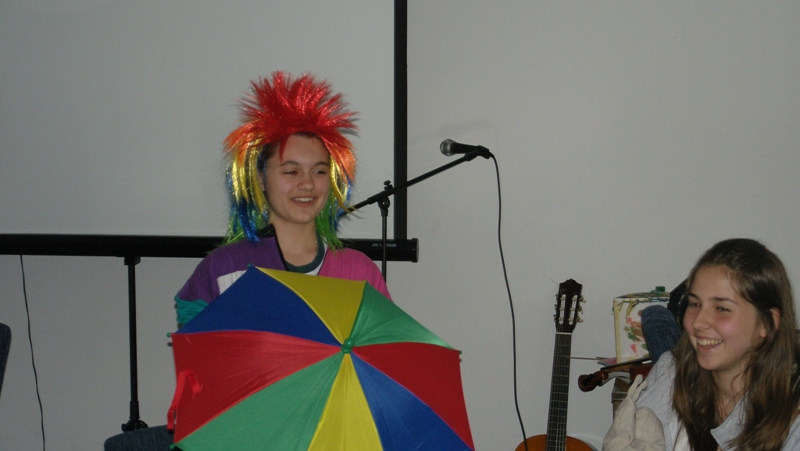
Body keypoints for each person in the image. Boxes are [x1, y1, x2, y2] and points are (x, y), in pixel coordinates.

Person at [175, 71, 390, 327]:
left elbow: (382, 344)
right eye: (291, 171)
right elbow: (198, 346)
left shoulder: (358, 273)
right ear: (261, 179)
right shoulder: (224, 268)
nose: (307, 183)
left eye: (319, 172)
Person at [605, 238, 800, 450]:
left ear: (767, 322)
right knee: (656, 323)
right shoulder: (670, 373)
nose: (698, 322)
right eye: (695, 304)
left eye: (721, 308)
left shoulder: (792, 418)